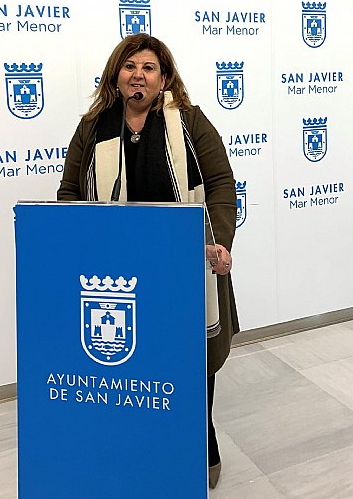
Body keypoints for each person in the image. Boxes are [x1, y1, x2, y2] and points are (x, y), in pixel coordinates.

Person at [57, 33, 239, 489]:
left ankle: (202, 440)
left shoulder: (190, 121)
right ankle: (140, 446)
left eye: (149, 67)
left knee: (190, 359)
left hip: (184, 264)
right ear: (115, 75)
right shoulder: (93, 126)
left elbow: (220, 182)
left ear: (165, 78)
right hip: (116, 270)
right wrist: (76, 243)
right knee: (133, 362)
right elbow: (70, 192)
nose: (138, 75)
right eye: (130, 66)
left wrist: (218, 241)